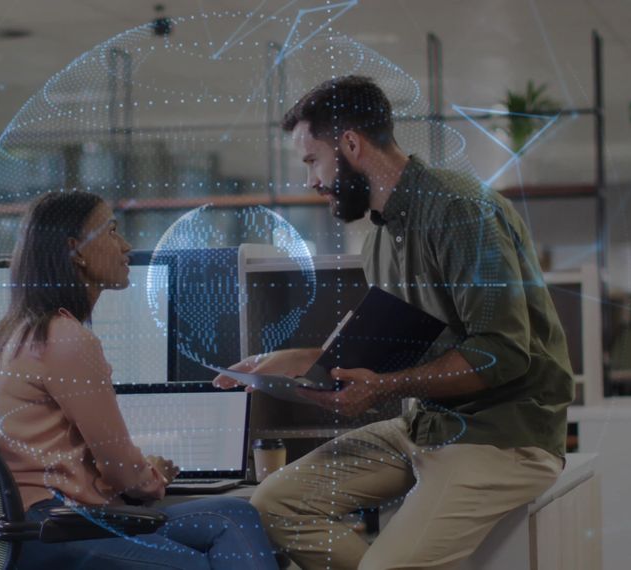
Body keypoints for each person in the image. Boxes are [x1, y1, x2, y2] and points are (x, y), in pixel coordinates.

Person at [214, 76, 574, 569]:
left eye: (311, 160)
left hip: (502, 436)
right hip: (425, 427)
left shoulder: (461, 211)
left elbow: (503, 354)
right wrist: (296, 362)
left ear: (350, 145)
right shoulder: (379, 243)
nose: (310, 180)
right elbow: (399, 347)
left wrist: (383, 388)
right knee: (274, 505)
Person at [0, 191, 278, 570]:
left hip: (35, 525)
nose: (125, 245)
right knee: (197, 563)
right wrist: (151, 475)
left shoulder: (12, 334)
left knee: (234, 515)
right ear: (75, 250)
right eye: (111, 231)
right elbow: (124, 473)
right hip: (59, 529)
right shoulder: (66, 338)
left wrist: (29, 488)